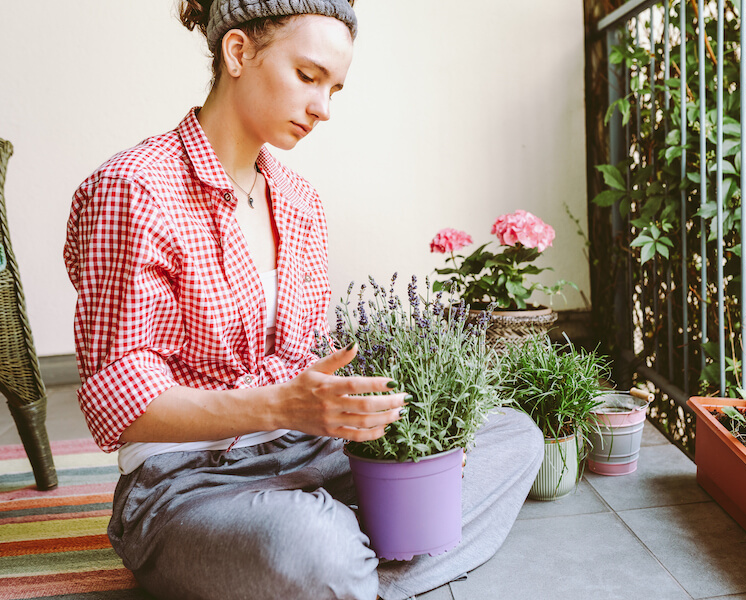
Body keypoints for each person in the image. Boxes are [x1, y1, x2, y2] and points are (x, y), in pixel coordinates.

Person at [63, 1, 543, 599]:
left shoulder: (300, 202)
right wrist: (282, 407)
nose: (324, 108)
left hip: (312, 454)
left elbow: (307, 372)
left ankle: (345, 576)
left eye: (335, 87)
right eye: (308, 76)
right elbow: (121, 405)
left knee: (511, 436)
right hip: (188, 485)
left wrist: (366, 413)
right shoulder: (133, 190)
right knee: (312, 551)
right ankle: (348, 562)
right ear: (238, 53)